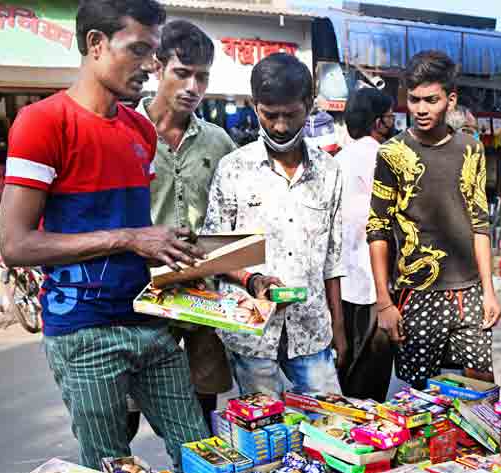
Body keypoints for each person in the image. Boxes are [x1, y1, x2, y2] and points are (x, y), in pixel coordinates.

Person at [0, 0, 210, 470]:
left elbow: (140, 231)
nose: (149, 68)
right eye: (137, 50)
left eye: (154, 54)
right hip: (83, 332)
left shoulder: (139, 129)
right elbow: (14, 246)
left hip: (150, 323)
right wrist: (131, 238)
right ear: (96, 44)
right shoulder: (42, 123)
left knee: (202, 457)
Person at [201, 53, 347, 397]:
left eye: (290, 114)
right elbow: (215, 250)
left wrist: (338, 326)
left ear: (309, 105)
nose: (280, 126)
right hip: (252, 332)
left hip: (312, 331)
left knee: (330, 426)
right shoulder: (232, 169)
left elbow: (333, 259)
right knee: (265, 433)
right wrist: (252, 280)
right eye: (270, 115)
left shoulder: (329, 171)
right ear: (255, 107)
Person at [367, 50, 501, 390]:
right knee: (420, 397)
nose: (422, 109)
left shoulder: (471, 149)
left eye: (431, 99)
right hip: (417, 293)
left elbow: (479, 223)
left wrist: (490, 291)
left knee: (480, 391)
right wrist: (384, 302)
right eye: (414, 100)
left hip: (469, 292)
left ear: (450, 100)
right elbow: (377, 229)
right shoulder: (392, 154)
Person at [134, 20, 235, 432]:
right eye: (182, 73)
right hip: (138, 295)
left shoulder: (218, 142)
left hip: (201, 297)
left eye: (203, 77)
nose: (193, 86)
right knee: (125, 409)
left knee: (203, 409)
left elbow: (234, 220)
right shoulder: (123, 132)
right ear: (158, 68)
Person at [335, 87, 397, 401]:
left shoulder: (337, 159)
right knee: (372, 373)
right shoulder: (385, 156)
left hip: (342, 283)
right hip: (376, 282)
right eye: (390, 115)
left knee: (347, 365)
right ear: (378, 121)